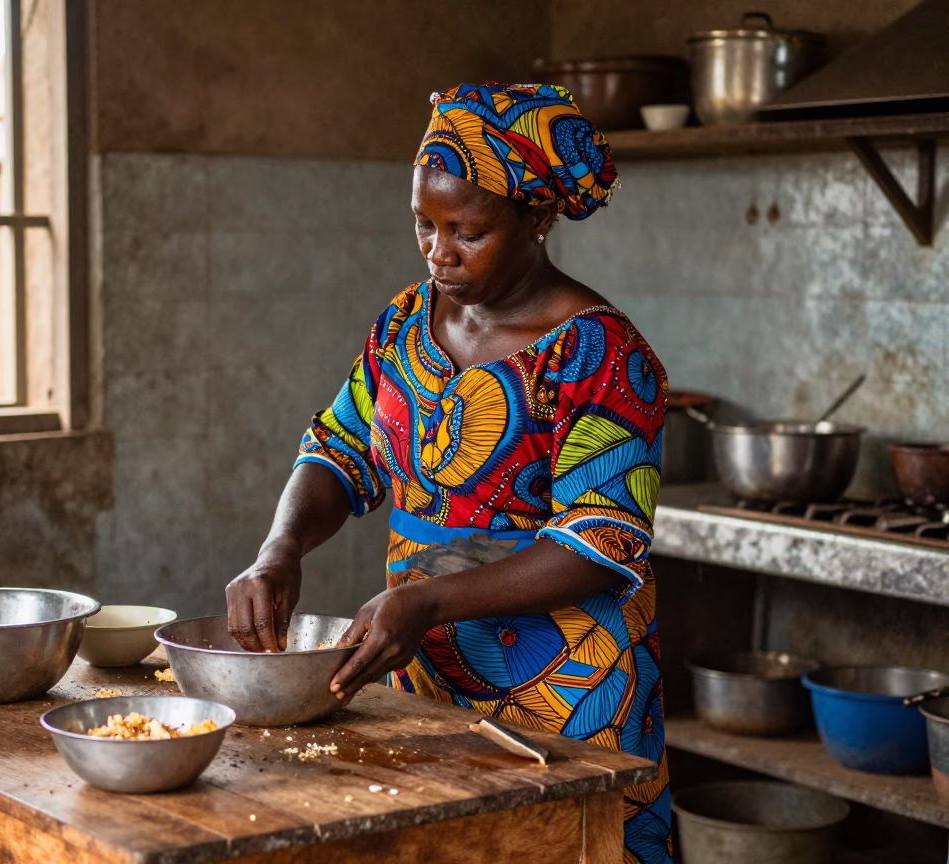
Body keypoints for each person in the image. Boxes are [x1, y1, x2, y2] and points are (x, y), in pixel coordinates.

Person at [225, 83, 671, 863]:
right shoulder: (405, 323)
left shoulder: (600, 355)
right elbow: (337, 448)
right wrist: (281, 548)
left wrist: (428, 599)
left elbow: (604, 539)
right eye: (424, 225)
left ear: (537, 217)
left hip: (568, 692)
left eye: (467, 231)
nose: (438, 252)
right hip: (426, 678)